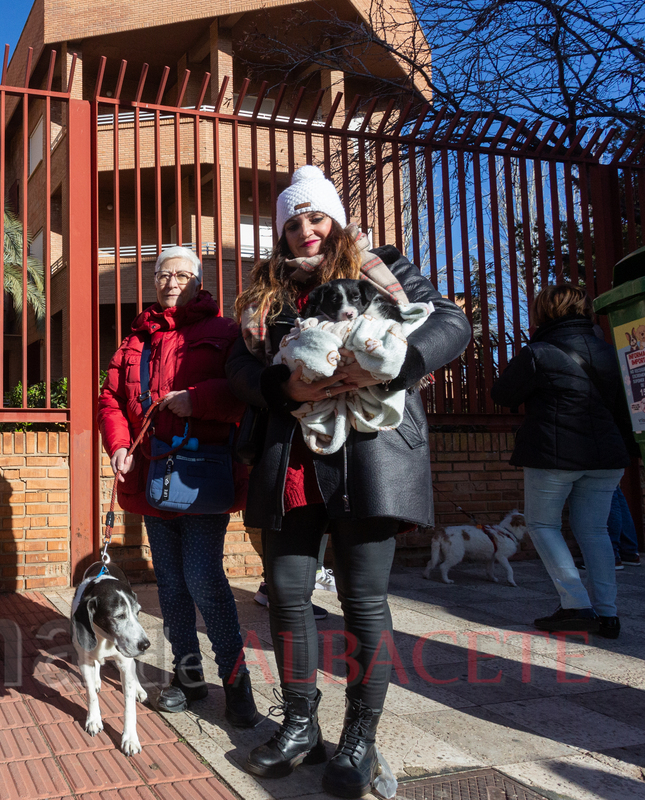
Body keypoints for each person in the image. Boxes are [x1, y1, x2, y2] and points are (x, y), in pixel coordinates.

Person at [226, 165, 470, 797]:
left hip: (369, 453)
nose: (306, 231)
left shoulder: (385, 269)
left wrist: (392, 370)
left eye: (316, 216)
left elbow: (451, 324)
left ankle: (359, 738)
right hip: (294, 459)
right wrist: (282, 384)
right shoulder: (265, 295)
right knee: (285, 594)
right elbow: (238, 367)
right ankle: (301, 725)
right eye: (292, 222)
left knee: (364, 600)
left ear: (334, 218)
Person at [97, 246, 259, 728]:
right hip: (150, 475)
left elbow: (245, 394)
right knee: (169, 586)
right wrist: (119, 445)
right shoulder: (134, 341)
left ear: (199, 280)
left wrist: (197, 399)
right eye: (164, 274)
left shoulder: (225, 333)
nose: (172, 281)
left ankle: (236, 682)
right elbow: (109, 398)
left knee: (204, 580)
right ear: (154, 279)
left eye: (182, 274)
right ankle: (188, 680)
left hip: (202, 475)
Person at [491, 284, 634, 640]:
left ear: (544, 312)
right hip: (607, 456)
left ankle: (575, 604)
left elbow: (502, 395)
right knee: (595, 531)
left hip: (555, 455)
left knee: (543, 525)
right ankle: (608, 614)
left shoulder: (538, 352)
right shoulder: (612, 351)